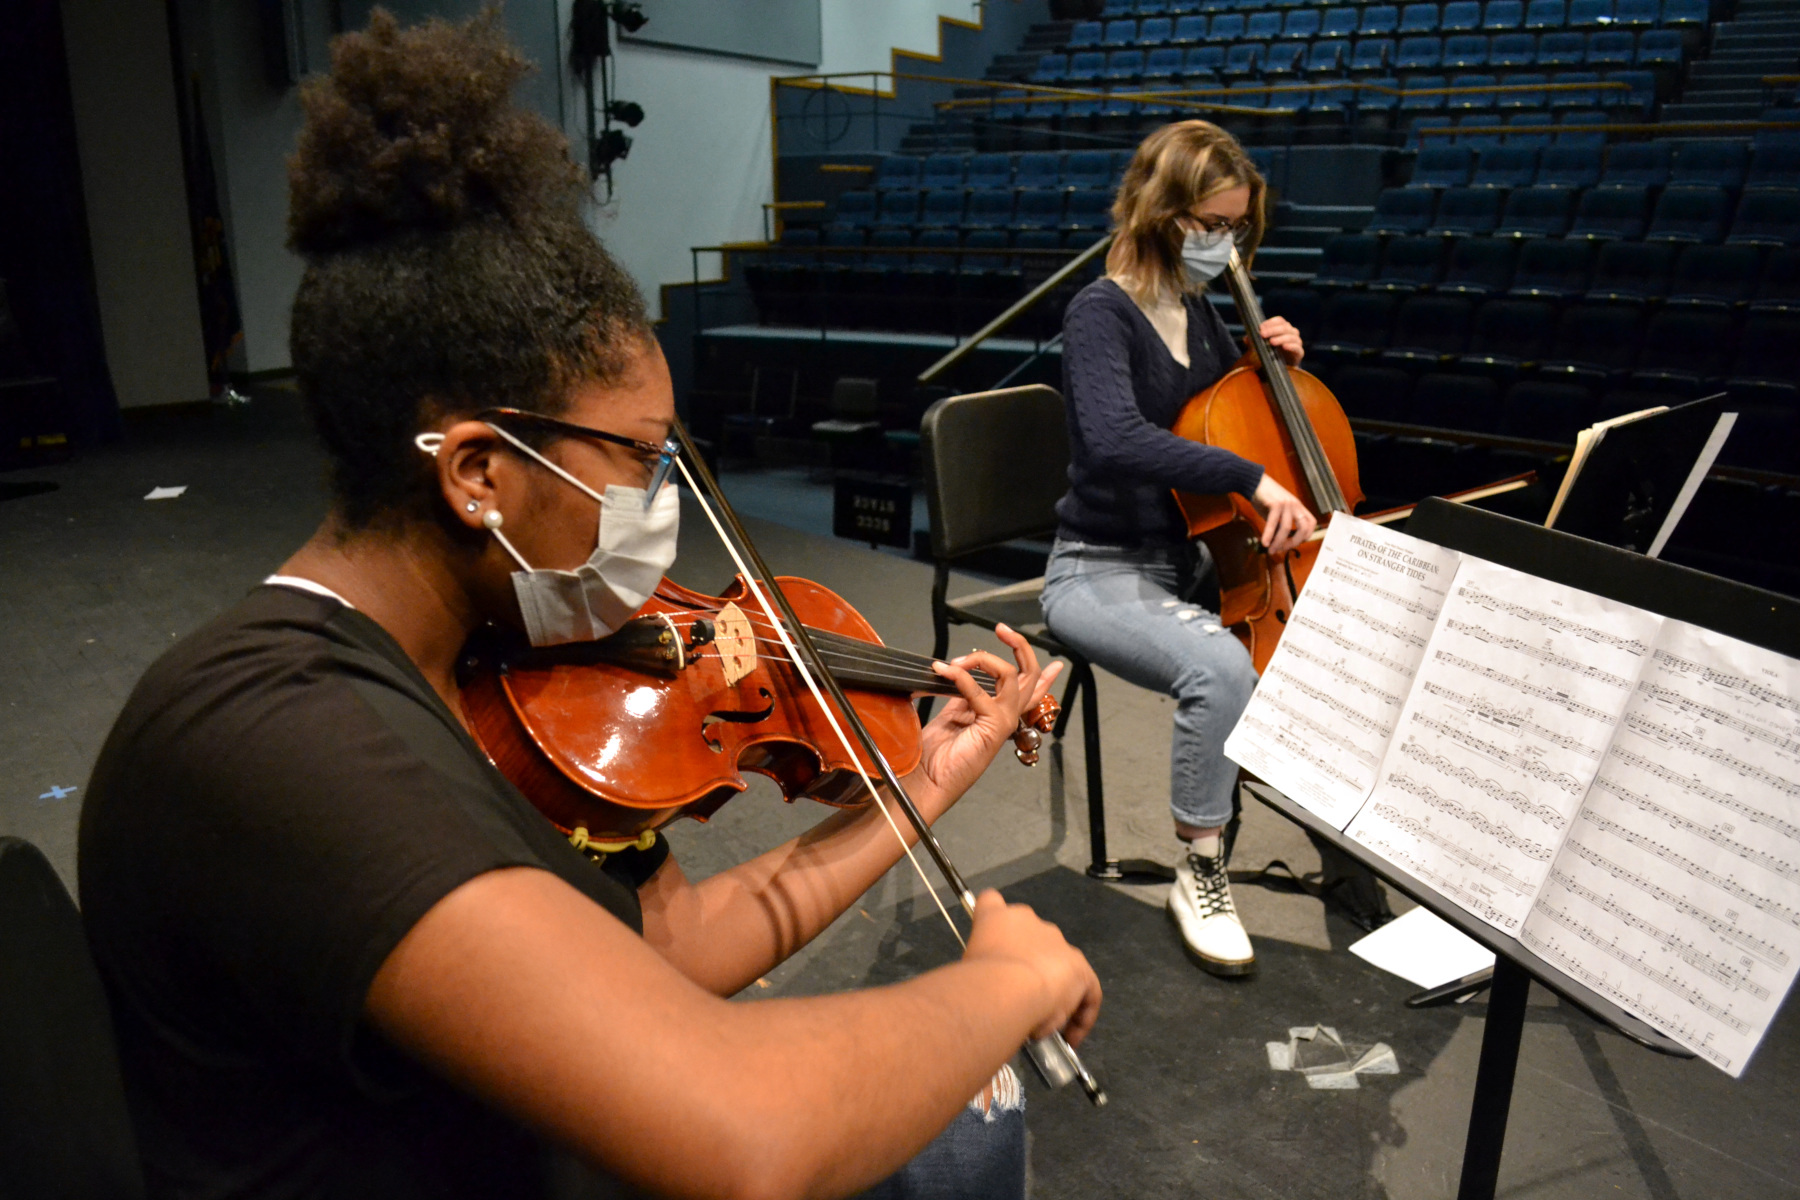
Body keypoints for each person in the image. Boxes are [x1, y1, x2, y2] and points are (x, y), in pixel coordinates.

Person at [77, 14, 1099, 1200]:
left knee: (957, 1119)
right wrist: (1004, 983)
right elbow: (741, 1135)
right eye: (638, 462)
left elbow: (668, 948)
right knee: (971, 1122)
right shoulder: (277, 737)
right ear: (477, 474)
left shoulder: (488, 666)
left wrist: (926, 780)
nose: (659, 509)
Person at [1040, 120, 1317, 979]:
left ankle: (1349, 845)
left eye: (1237, 228)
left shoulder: (1199, 313)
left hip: (1188, 563)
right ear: (1161, 215)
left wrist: (1270, 361)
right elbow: (1119, 437)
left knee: (1319, 651)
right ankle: (1200, 869)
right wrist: (1252, 477)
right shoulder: (1100, 313)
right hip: (1095, 568)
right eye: (1210, 227)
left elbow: (1218, 411)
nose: (1224, 245)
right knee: (1223, 673)